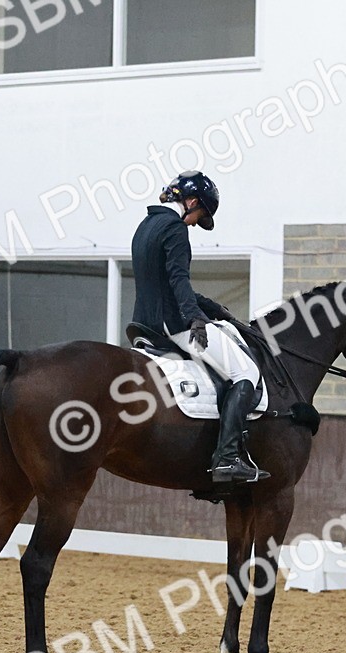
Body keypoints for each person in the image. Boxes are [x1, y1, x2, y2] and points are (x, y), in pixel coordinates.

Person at [129, 170, 270, 483]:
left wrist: (212, 309)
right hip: (173, 325)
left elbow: (165, 284)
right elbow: (179, 280)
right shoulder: (176, 229)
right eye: (200, 214)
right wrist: (196, 318)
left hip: (143, 321)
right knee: (245, 372)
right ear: (190, 201)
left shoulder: (145, 227)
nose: (195, 222)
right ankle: (227, 458)